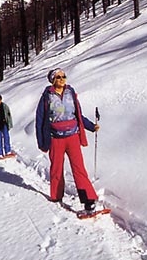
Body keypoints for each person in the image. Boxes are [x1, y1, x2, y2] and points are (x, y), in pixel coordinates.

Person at [36, 68, 100, 213]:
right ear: (53, 80)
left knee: (79, 168)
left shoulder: (71, 93)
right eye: (58, 77)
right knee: (56, 168)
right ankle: (56, 196)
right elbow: (40, 120)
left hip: (72, 137)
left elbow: (78, 115)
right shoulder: (47, 96)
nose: (62, 79)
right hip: (55, 139)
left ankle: (88, 199)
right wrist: (41, 142)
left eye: (63, 76)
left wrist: (91, 126)